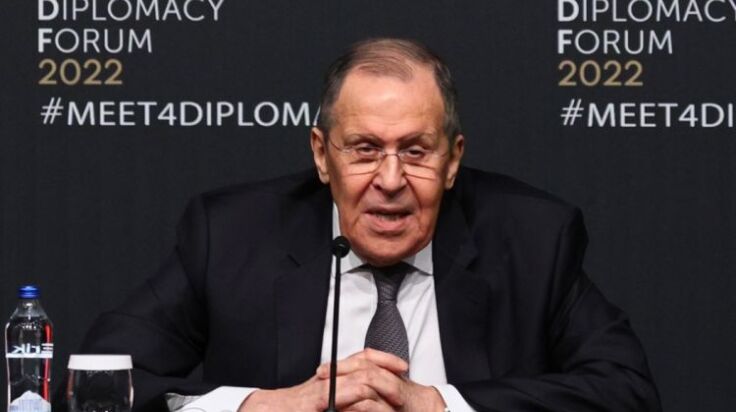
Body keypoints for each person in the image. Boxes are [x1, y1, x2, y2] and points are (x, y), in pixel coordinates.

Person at [68, 38, 661, 411]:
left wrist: (438, 405)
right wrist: (261, 407)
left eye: (416, 151)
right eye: (365, 149)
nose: (391, 179)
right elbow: (93, 383)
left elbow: (626, 392)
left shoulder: (532, 237)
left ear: (453, 160)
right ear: (322, 155)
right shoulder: (232, 235)